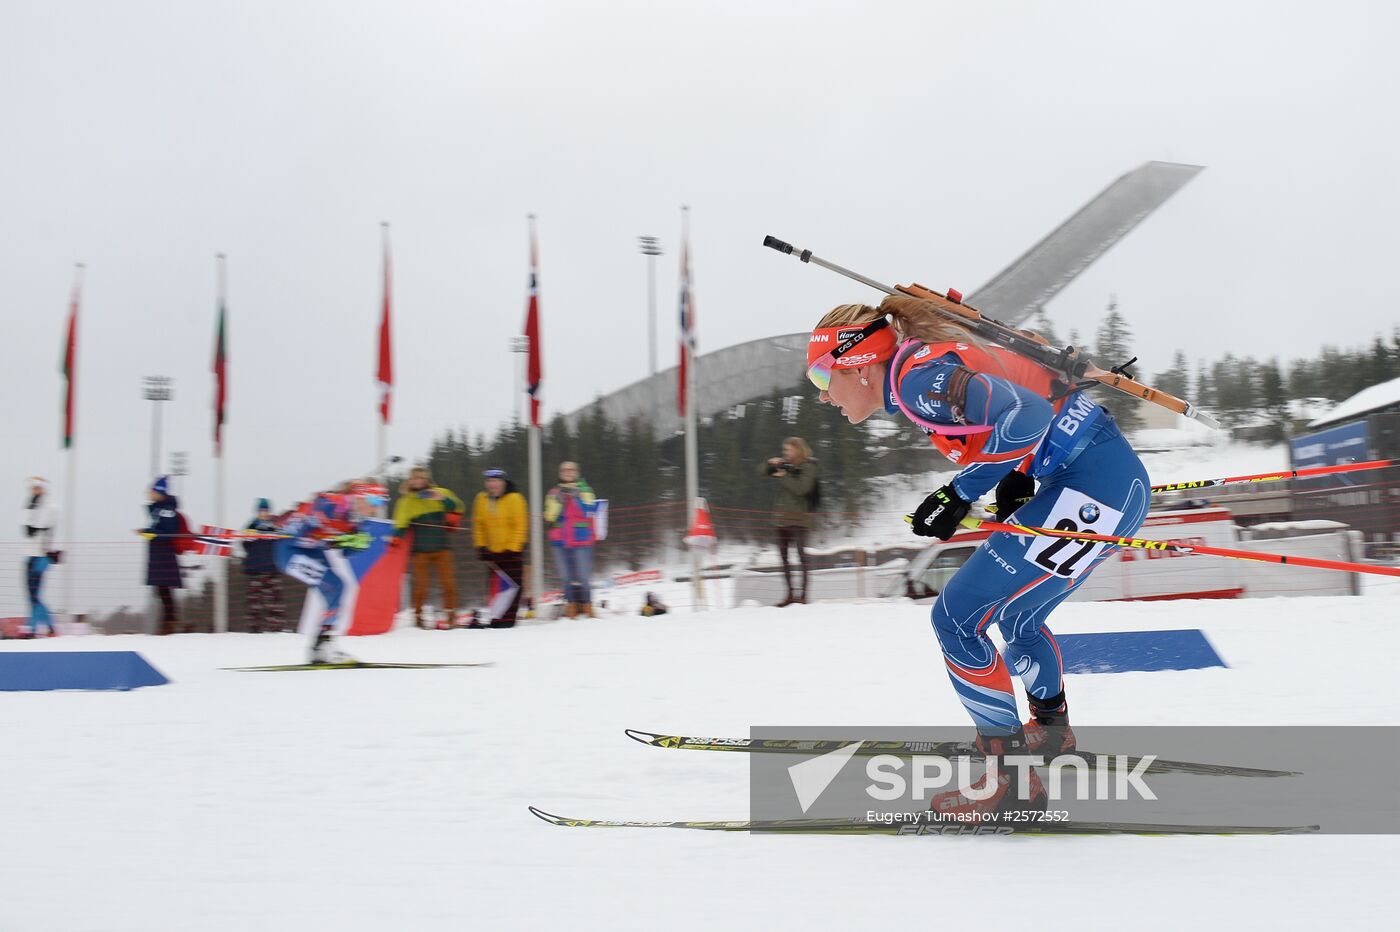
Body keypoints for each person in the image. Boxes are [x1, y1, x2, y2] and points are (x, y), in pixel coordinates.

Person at [805, 294, 1149, 817]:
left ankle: (1007, 779)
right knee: (1016, 618)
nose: (825, 398)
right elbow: (1027, 409)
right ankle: (1051, 734)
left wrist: (959, 494)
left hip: (1091, 487)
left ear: (854, 363)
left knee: (956, 617)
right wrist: (1012, 480)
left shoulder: (917, 380)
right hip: (1103, 482)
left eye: (820, 380)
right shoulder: (921, 367)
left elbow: (1027, 414)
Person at [280, 491, 370, 663]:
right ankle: (322, 646)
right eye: (372, 500)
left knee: (339, 588)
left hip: (313, 552)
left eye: (379, 502)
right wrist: (326, 536)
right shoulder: (331, 505)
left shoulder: (356, 521)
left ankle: (322, 645)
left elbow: (344, 551)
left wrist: (356, 545)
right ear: (358, 498)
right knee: (336, 586)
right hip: (291, 554)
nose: (374, 507)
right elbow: (298, 534)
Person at [392, 466, 466, 628]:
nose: (418, 481)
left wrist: (443, 499)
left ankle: (451, 616)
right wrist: (397, 537)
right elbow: (401, 522)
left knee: (449, 584)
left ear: (426, 480)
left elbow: (458, 507)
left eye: (421, 478)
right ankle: (418, 617)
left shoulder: (440, 492)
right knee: (421, 587)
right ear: (410, 480)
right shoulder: (406, 501)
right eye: (415, 478)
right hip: (420, 550)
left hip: (442, 546)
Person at [760, 437, 819, 606]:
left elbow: (801, 489)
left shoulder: (808, 466)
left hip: (799, 520)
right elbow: (762, 472)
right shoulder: (785, 466)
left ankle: (803, 595)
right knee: (784, 558)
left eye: (788, 450)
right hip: (781, 521)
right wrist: (770, 464)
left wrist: (784, 476)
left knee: (802, 557)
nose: (785, 453)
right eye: (784, 450)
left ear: (798, 450)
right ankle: (790, 594)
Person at [471, 468, 527, 628]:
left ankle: (508, 620)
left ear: (503, 482)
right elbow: (479, 525)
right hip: (493, 552)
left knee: (514, 587)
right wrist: (481, 546)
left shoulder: (515, 498)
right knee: (497, 587)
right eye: (489, 481)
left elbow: (520, 526)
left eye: (496, 481)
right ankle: (496, 617)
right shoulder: (481, 499)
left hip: (512, 552)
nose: (492, 485)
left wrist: (513, 549)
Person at [543, 461, 598, 618]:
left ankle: (588, 606)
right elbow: (548, 516)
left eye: (571, 469)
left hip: (581, 538)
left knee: (583, 576)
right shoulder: (554, 492)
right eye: (564, 470)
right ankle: (571, 606)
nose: (568, 472)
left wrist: (577, 498)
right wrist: (558, 504)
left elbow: (590, 510)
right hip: (559, 540)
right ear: (560, 473)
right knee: (566, 577)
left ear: (577, 472)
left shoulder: (585, 490)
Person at [143, 475, 185, 635]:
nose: (149, 493)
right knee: (161, 590)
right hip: (158, 554)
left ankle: (170, 620)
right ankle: (168, 620)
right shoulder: (158, 509)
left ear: (159, 492)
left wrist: (151, 533)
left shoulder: (167, 510)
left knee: (164, 589)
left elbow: (169, 532)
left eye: (152, 491)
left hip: (164, 554)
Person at [242, 498, 287, 633]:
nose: (263, 513)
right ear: (257, 512)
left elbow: (281, 543)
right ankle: (255, 627)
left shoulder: (275, 526)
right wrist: (250, 538)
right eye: (261, 511)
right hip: (255, 569)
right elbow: (245, 544)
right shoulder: (252, 526)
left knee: (274, 599)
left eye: (265, 510)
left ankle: (275, 626)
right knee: (254, 600)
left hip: (272, 568)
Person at [21, 477, 58, 637]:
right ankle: (50, 627)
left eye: (38, 488)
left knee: (34, 595)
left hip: (42, 556)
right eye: (33, 488)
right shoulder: (30, 505)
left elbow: (36, 527)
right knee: (32, 595)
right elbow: (26, 526)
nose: (35, 491)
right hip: (29, 554)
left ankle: (32, 628)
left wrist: (31, 521)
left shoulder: (50, 507)